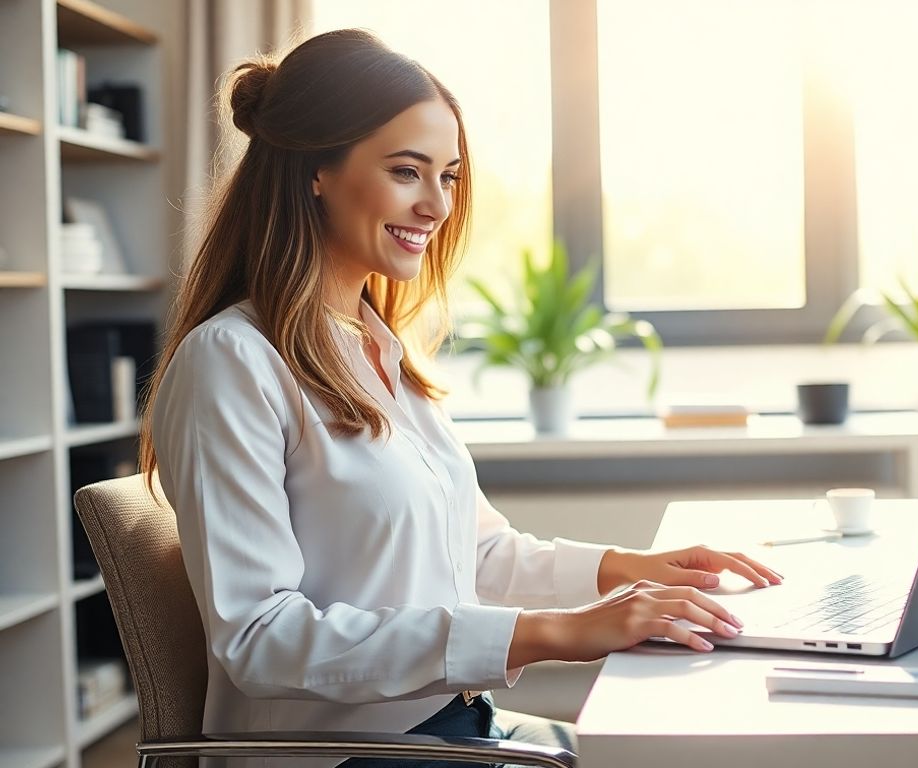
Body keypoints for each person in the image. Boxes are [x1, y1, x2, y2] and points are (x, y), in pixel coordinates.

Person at [138, 28, 783, 768]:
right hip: (346, 754)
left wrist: (633, 570)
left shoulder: (378, 351)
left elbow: (474, 554)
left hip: (449, 730)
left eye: (448, 177)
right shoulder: (232, 362)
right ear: (316, 169)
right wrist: (556, 633)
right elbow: (259, 638)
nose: (436, 205)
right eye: (407, 172)